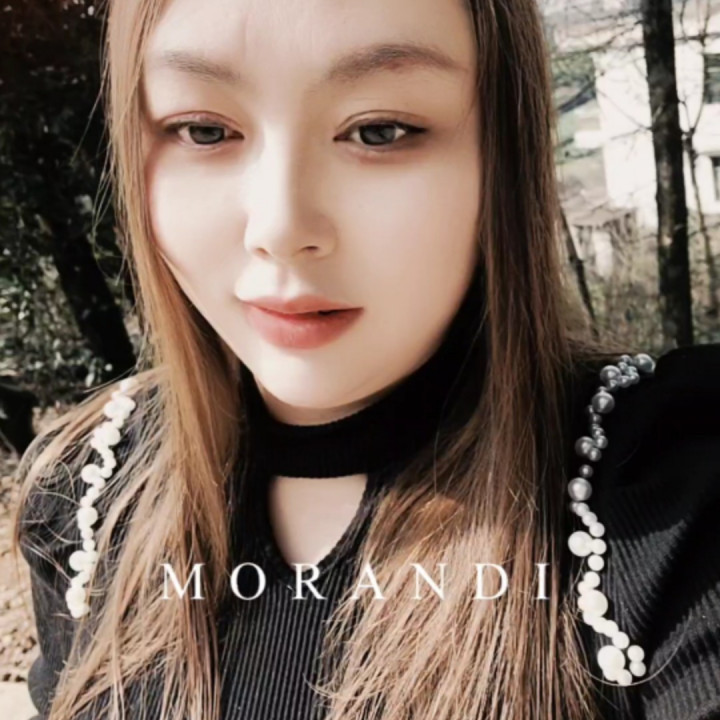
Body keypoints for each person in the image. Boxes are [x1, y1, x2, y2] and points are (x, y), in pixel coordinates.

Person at [11, 0, 720, 718]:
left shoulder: (672, 488)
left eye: (380, 131)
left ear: (501, 150)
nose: (280, 227)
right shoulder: (90, 497)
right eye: (205, 131)